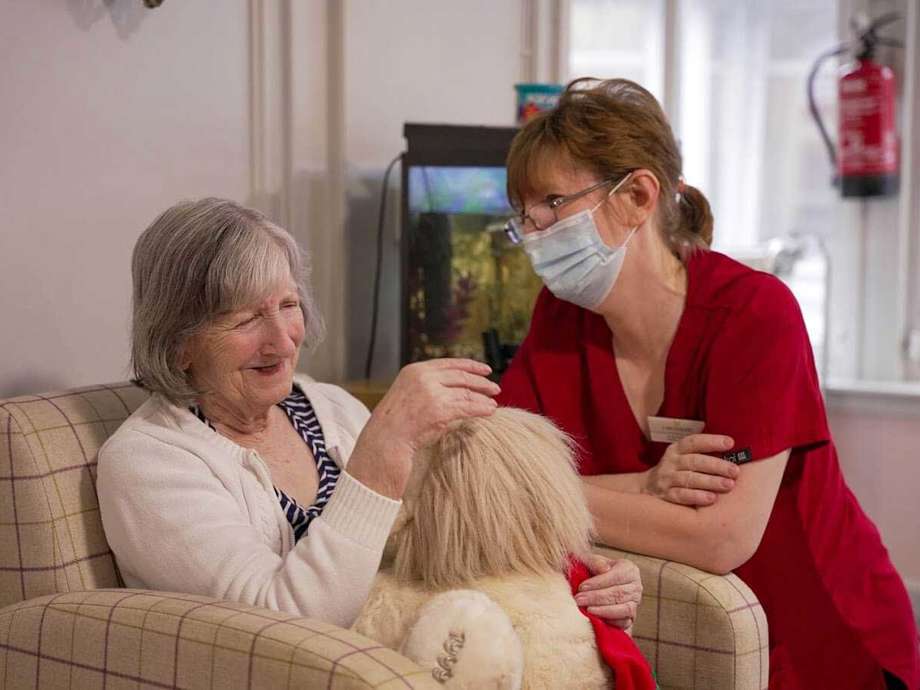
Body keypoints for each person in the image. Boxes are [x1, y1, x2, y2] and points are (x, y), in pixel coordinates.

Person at [496, 78, 920, 689]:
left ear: (638, 195)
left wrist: (543, 499)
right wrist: (644, 486)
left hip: (817, 638)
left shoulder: (754, 314)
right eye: (524, 214)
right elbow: (489, 475)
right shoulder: (560, 319)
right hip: (676, 639)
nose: (533, 231)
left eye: (552, 205)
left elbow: (720, 537)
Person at [97, 197, 640, 631]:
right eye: (244, 319)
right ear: (178, 342)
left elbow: (438, 539)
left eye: (288, 306)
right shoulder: (150, 461)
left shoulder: (325, 406)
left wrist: (567, 568)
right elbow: (279, 627)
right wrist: (383, 449)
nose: (282, 341)